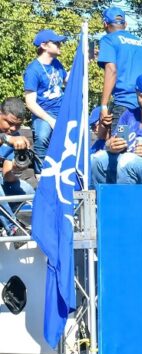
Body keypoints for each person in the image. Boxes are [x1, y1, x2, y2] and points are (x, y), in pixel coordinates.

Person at [23, 29, 68, 175]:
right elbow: (30, 103)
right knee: (42, 138)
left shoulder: (57, 64)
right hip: (44, 113)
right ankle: (40, 175)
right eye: (56, 42)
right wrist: (50, 120)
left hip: (62, 111)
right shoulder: (33, 70)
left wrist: (84, 61)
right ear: (44, 45)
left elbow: (69, 81)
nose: (60, 44)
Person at [98, 6, 142, 129]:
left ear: (105, 24)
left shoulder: (108, 39)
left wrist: (104, 106)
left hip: (124, 105)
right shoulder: (139, 42)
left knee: (120, 145)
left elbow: (111, 70)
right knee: (139, 144)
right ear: (125, 24)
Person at [0, 99, 33, 240]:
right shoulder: (10, 138)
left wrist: (18, 167)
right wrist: (7, 139)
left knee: (28, 190)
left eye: (18, 125)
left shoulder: (14, 137)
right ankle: (13, 228)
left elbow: (8, 178)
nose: (13, 128)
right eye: (9, 122)